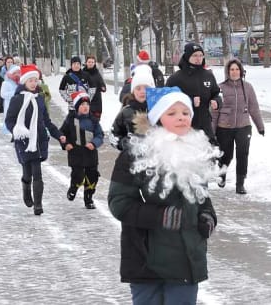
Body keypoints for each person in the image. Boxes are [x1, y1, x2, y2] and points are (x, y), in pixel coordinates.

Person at [108, 86, 221, 305]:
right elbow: (119, 203)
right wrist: (163, 217)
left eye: (185, 113)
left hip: (187, 258)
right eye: (172, 113)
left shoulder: (195, 151)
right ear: (158, 118)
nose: (181, 118)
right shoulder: (135, 154)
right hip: (147, 259)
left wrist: (208, 215)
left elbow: (201, 196)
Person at [5, 64, 66, 215]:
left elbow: (46, 121)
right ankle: (26, 188)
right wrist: (16, 130)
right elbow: (9, 120)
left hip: (38, 140)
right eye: (30, 80)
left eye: (35, 80)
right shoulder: (17, 100)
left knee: (37, 173)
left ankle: (38, 205)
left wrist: (59, 135)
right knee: (27, 173)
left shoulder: (40, 98)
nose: (33, 83)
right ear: (24, 82)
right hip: (24, 140)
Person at [211, 58, 265, 194]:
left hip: (243, 126)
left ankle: (240, 184)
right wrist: (212, 131)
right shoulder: (220, 88)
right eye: (232, 70)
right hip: (224, 127)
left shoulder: (247, 87)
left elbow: (254, 108)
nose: (234, 72)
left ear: (241, 71)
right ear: (227, 72)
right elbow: (214, 112)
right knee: (226, 155)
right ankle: (221, 174)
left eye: (237, 69)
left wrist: (260, 126)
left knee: (243, 155)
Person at [166, 43, 222, 143]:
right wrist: (190, 101)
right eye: (195, 55)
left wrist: (216, 101)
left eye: (201, 55)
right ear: (187, 56)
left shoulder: (208, 75)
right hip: (184, 126)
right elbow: (167, 102)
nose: (198, 58)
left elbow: (216, 93)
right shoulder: (176, 78)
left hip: (205, 125)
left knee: (210, 154)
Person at [60, 90, 104, 209]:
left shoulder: (94, 120)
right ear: (77, 106)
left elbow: (100, 135)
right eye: (82, 105)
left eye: (87, 105)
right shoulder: (70, 119)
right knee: (78, 175)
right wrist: (66, 144)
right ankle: (73, 187)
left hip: (90, 153)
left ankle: (88, 199)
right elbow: (62, 134)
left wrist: (94, 143)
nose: (85, 107)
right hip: (76, 153)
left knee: (92, 176)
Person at [109, 64, 155, 150]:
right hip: (129, 160)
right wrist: (124, 144)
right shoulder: (126, 111)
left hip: (153, 159)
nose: (143, 91)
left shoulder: (158, 110)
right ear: (133, 91)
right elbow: (114, 134)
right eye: (138, 88)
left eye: (146, 87)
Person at [83, 55, 106, 120]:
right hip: (85, 100)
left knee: (95, 122)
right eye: (89, 62)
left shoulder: (97, 73)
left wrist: (102, 87)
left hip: (96, 101)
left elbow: (102, 85)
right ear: (86, 63)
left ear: (94, 63)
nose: (90, 63)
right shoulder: (82, 73)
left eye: (92, 62)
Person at [1, 64, 20, 134]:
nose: (17, 75)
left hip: (20, 105)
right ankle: (13, 134)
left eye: (19, 72)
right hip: (9, 105)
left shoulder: (22, 83)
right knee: (11, 121)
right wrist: (15, 93)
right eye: (15, 73)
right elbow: (3, 94)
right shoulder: (6, 83)